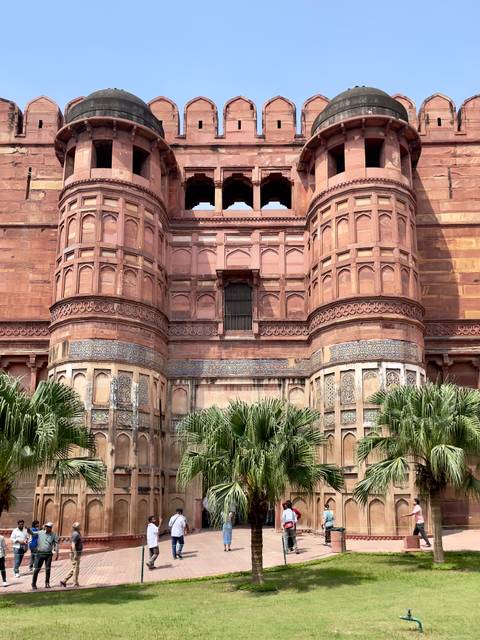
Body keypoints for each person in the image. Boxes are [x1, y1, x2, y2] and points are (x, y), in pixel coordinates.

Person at [31, 522, 59, 590]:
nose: (47, 528)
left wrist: (57, 552)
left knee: (48, 569)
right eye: (46, 526)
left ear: (51, 528)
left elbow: (56, 544)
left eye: (48, 527)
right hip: (40, 554)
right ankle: (33, 583)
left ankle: (47, 583)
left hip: (48, 554)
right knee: (37, 569)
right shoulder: (40, 533)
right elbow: (32, 534)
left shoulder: (54, 535)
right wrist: (28, 530)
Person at [60, 522, 83, 588]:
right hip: (74, 554)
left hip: (76, 553)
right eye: (79, 525)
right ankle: (75, 583)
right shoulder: (76, 534)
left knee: (75, 568)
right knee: (76, 569)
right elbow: (73, 545)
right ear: (76, 527)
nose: (80, 525)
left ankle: (64, 581)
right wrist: (75, 554)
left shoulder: (77, 533)